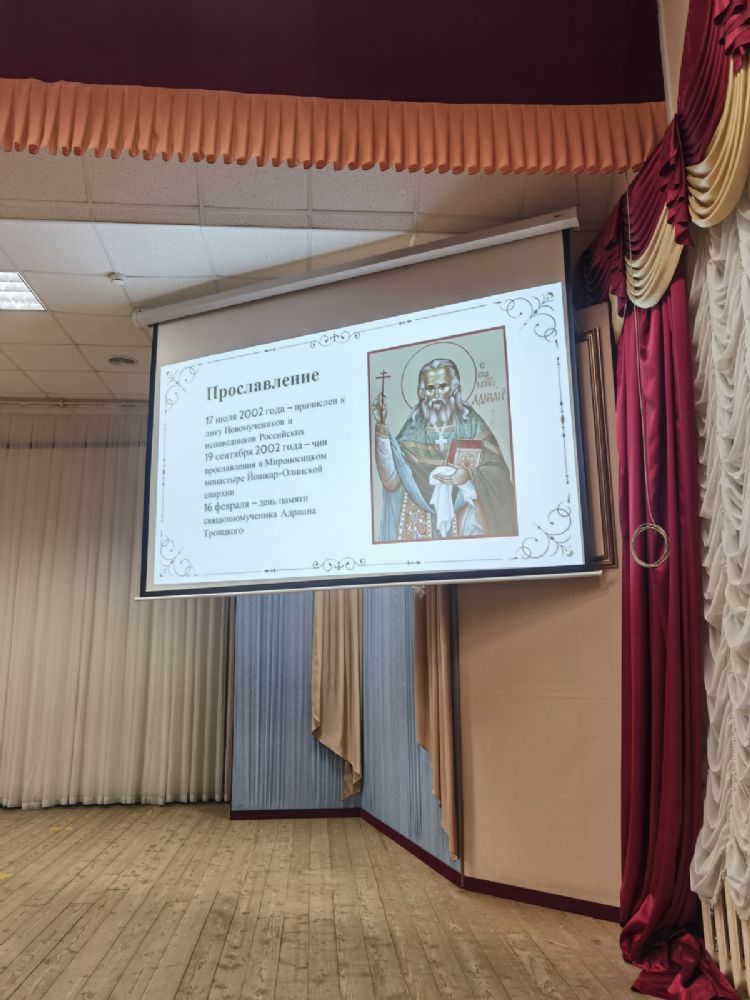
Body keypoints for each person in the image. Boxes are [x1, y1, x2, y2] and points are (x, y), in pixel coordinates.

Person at [372, 358, 517, 541]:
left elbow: (498, 470)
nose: (436, 394)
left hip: (465, 512)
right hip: (419, 518)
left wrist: (469, 474)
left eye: (442, 386)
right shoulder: (413, 427)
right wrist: (381, 426)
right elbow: (392, 480)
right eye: (430, 388)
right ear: (421, 393)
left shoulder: (471, 424)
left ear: (455, 388)